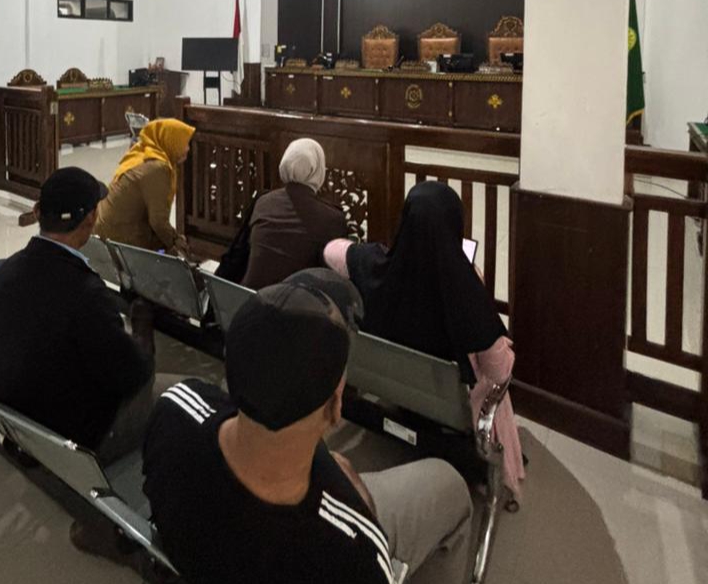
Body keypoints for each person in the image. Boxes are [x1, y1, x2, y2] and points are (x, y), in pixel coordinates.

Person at [143, 271, 473, 584]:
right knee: (449, 484)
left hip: (200, 551)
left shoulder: (174, 408)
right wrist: (350, 489)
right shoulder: (353, 555)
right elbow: (359, 529)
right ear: (334, 408)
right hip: (340, 524)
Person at [324, 181, 525, 498]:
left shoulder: (373, 266)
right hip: (451, 408)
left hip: (391, 385)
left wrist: (378, 253)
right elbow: (499, 371)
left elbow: (330, 251)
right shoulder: (466, 290)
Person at [0, 167, 155, 463]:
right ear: (91, 218)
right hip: (67, 434)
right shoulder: (85, 292)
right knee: (174, 394)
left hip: (10, 413)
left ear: (38, 212)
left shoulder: (9, 267)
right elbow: (132, 374)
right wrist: (143, 327)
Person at [241, 138, 348, 289]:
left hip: (253, 297)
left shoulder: (263, 202)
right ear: (317, 170)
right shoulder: (332, 218)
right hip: (296, 301)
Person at [93, 118, 194, 254]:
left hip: (103, 227)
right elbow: (158, 222)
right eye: (184, 143)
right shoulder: (158, 168)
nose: (188, 149)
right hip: (118, 236)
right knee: (172, 250)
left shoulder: (143, 153)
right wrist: (176, 241)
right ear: (171, 141)